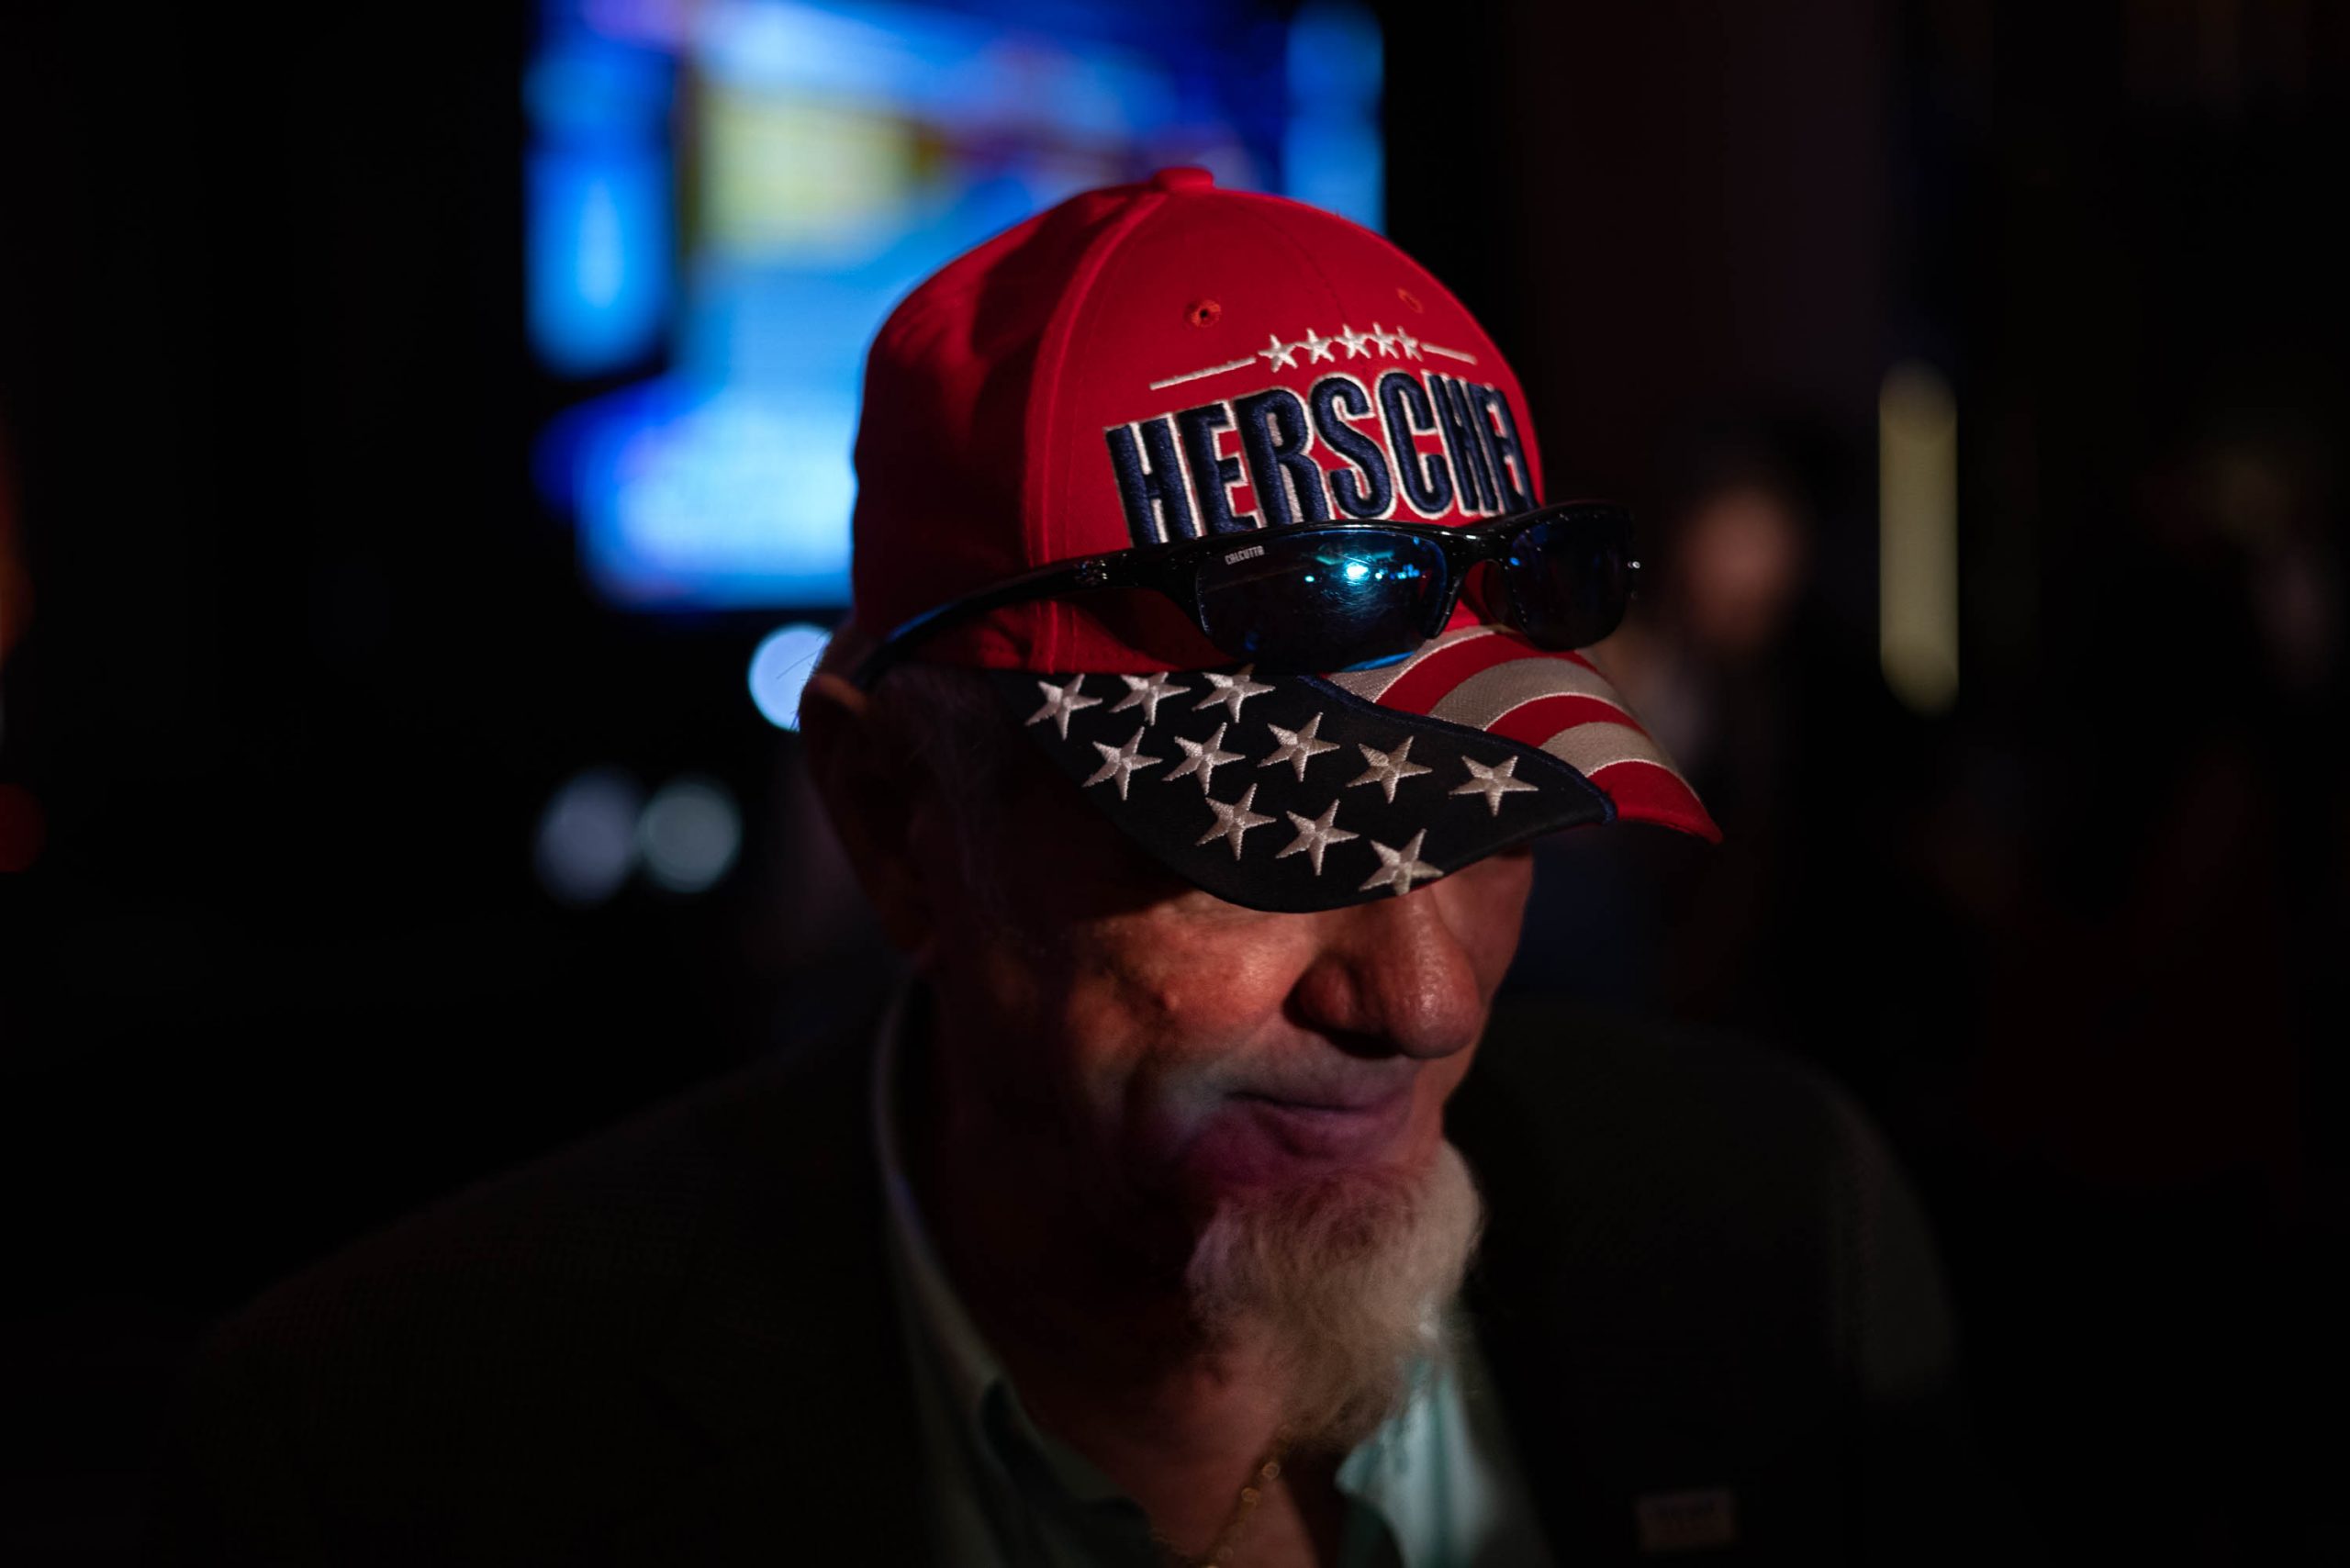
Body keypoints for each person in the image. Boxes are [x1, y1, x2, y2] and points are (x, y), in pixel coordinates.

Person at [147, 169, 1991, 1566]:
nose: (1421, 999)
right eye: (1258, 854)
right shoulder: (398, 1450)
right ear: (897, 822)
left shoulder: (1778, 1231)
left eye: (1488, 811)